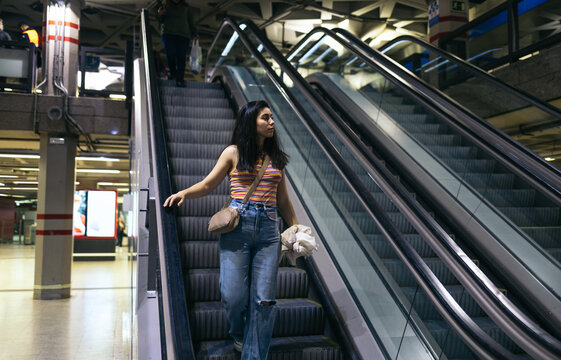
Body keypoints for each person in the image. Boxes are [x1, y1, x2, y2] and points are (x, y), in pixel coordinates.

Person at [164, 100, 298, 359]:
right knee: (232, 294)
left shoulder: (277, 159)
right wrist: (184, 193)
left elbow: (282, 199)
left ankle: (253, 355)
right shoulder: (233, 153)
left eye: (271, 118)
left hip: (270, 230)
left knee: (264, 300)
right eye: (265, 118)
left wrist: (295, 226)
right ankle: (238, 332)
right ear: (251, 122)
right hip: (238, 226)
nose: (272, 122)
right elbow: (207, 184)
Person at [157, 0, 198, 87]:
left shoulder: (186, 7)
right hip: (168, 34)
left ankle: (180, 79)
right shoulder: (165, 5)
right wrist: (160, 14)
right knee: (170, 55)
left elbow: (190, 21)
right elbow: (160, 20)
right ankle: (173, 74)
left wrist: (195, 33)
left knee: (181, 57)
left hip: (183, 35)